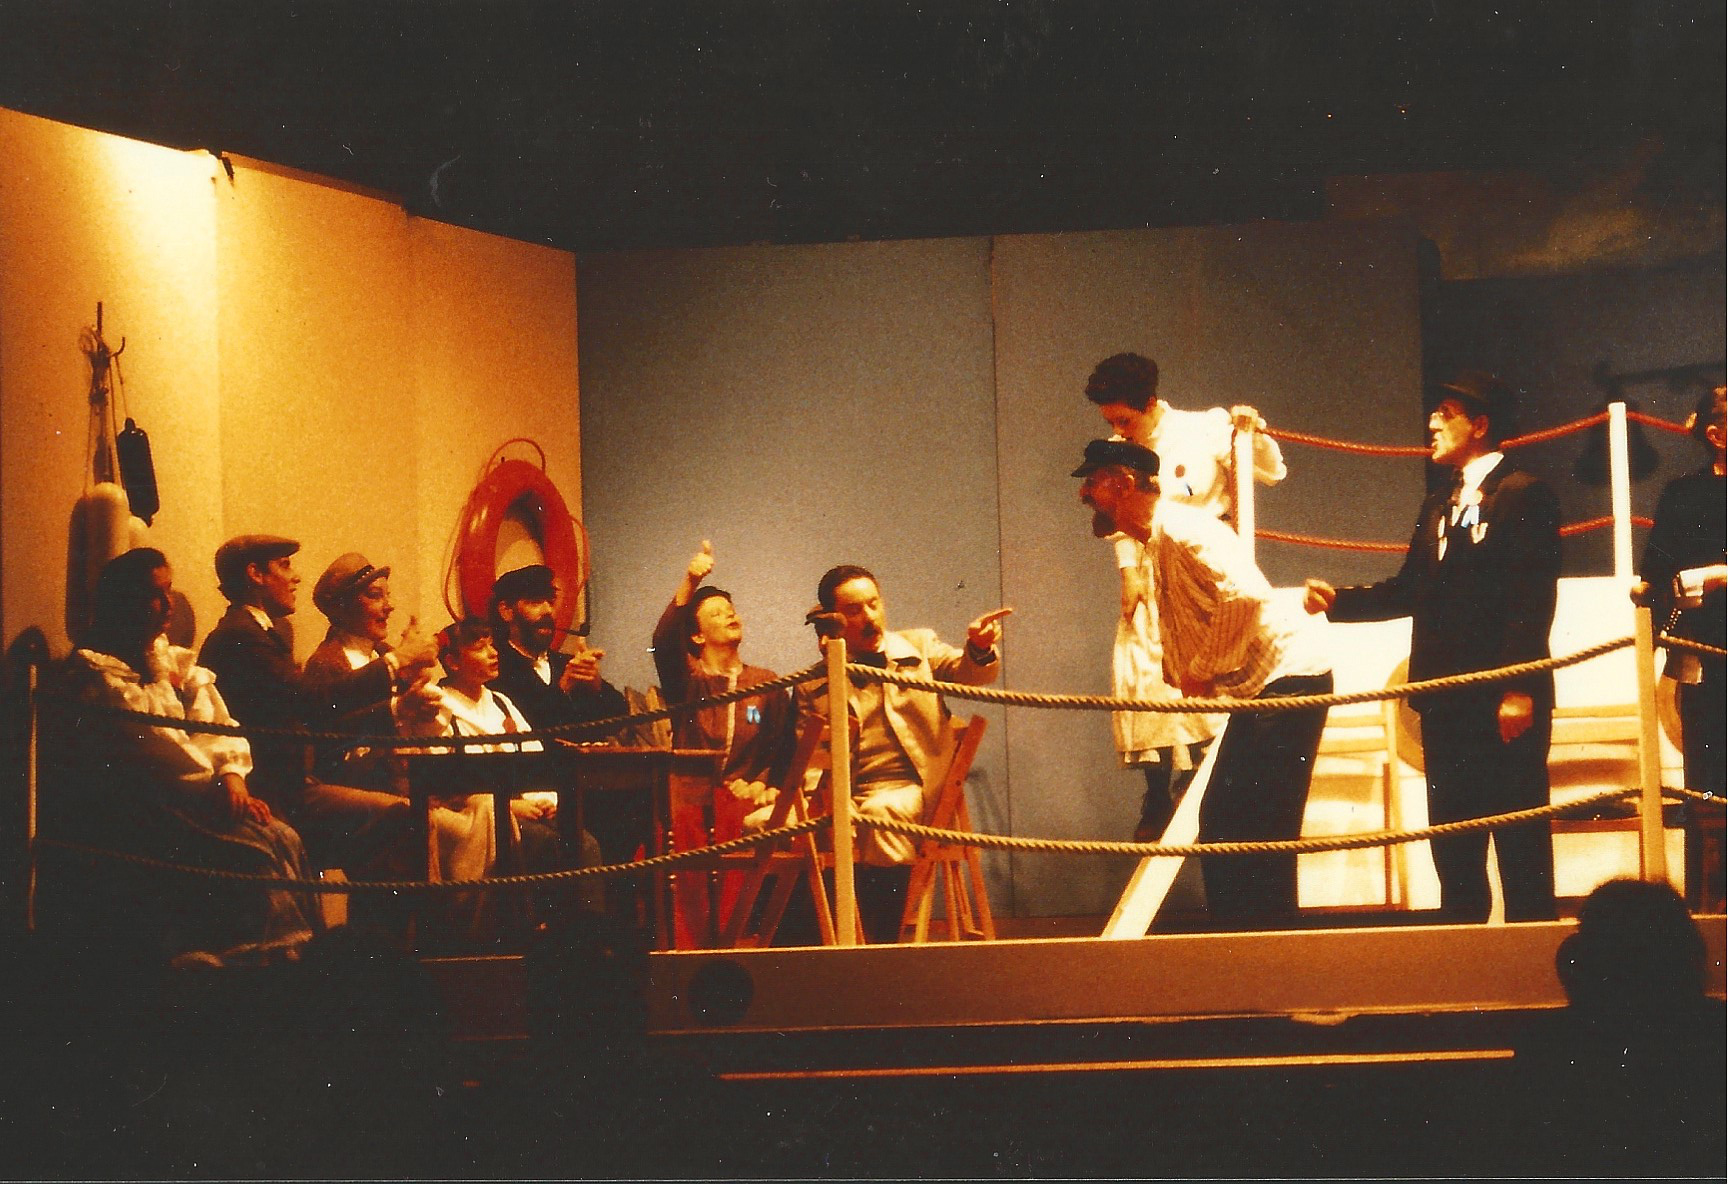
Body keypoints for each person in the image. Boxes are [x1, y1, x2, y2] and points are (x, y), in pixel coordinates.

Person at [1305, 370, 1561, 923]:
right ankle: (1463, 955)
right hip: (1445, 703)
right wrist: (1340, 602)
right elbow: (1412, 588)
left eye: (1445, 414)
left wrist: (1518, 689)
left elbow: (1531, 599)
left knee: (1521, 847)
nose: (1432, 423)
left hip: (1501, 704)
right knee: (1454, 850)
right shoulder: (1437, 502)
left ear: (1480, 425)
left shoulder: (1524, 493)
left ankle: (1534, 959)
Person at [1077, 438, 1332, 930]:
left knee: (1256, 826)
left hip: (1289, 680)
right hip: (1270, 687)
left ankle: (1267, 949)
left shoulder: (1181, 528)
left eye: (1093, 483)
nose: (1084, 495)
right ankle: (1244, 946)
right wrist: (1187, 670)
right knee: (1225, 821)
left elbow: (1246, 595)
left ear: (1124, 484)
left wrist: (1202, 668)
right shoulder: (1160, 539)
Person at [48, 547, 318, 960]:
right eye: (155, 595)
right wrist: (216, 789)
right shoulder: (98, 676)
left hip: (201, 794)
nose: (168, 604)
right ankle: (269, 962)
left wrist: (232, 776)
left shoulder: (167, 659)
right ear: (125, 603)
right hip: (152, 808)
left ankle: (310, 955)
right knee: (255, 853)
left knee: (286, 837)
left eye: (169, 591)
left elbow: (214, 720)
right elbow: (157, 750)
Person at [1083, 352, 1286, 842]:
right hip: (1151, 563)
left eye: (1125, 420)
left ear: (1150, 402)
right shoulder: (1119, 451)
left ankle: (1197, 776)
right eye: (1111, 423)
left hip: (1201, 564)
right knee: (1144, 672)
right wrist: (1128, 571)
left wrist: (1251, 432)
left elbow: (1271, 470)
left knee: (1202, 671)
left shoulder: (1203, 428)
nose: (1119, 431)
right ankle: (1156, 789)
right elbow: (1121, 517)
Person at [783, 564, 1008, 942]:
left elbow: (969, 673)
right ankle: (798, 952)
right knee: (771, 824)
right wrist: (810, 803)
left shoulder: (919, 646)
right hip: (842, 792)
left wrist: (980, 648)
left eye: (873, 604)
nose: (869, 616)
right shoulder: (813, 683)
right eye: (854, 610)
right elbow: (811, 761)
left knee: (880, 813)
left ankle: (880, 944)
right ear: (833, 620)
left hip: (912, 787)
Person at [197, 535, 416, 876]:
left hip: (296, 784)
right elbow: (311, 702)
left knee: (411, 814)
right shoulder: (241, 635)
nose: (295, 577)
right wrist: (396, 663)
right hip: (279, 792)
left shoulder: (262, 632)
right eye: (284, 566)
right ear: (255, 574)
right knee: (402, 814)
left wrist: (401, 704)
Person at [651, 541, 794, 947]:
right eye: (716, 613)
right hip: (691, 804)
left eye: (731, 610)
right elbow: (662, 641)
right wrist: (691, 579)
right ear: (697, 636)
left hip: (744, 798)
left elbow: (781, 747)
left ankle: (740, 938)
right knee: (677, 838)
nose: (730, 614)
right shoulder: (688, 681)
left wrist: (763, 782)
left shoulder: (766, 683)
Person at [1634, 385, 1725, 907]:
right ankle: (1707, 912)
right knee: (1706, 793)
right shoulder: (1683, 495)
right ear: (1717, 436)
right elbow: (1655, 575)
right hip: (1706, 665)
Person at [488, 564, 635, 860]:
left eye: (550, 601)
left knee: (637, 806)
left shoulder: (563, 662)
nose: (547, 611)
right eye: (534, 601)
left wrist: (595, 684)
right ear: (506, 611)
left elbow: (619, 715)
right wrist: (563, 688)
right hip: (537, 791)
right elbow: (530, 730)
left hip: (587, 785)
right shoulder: (494, 667)